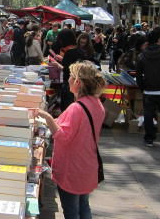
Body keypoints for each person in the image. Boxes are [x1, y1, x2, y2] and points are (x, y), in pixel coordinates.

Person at [34, 61, 106, 219]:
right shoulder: (96, 103)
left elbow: (62, 137)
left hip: (72, 168)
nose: (68, 79)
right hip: (87, 165)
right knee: (84, 206)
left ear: (78, 82)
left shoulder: (77, 107)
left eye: (71, 76)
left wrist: (46, 117)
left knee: (72, 211)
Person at [136, 29, 160, 147]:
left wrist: (142, 87)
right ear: (159, 40)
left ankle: (149, 138)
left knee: (149, 114)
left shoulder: (142, 56)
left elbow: (139, 75)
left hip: (149, 90)